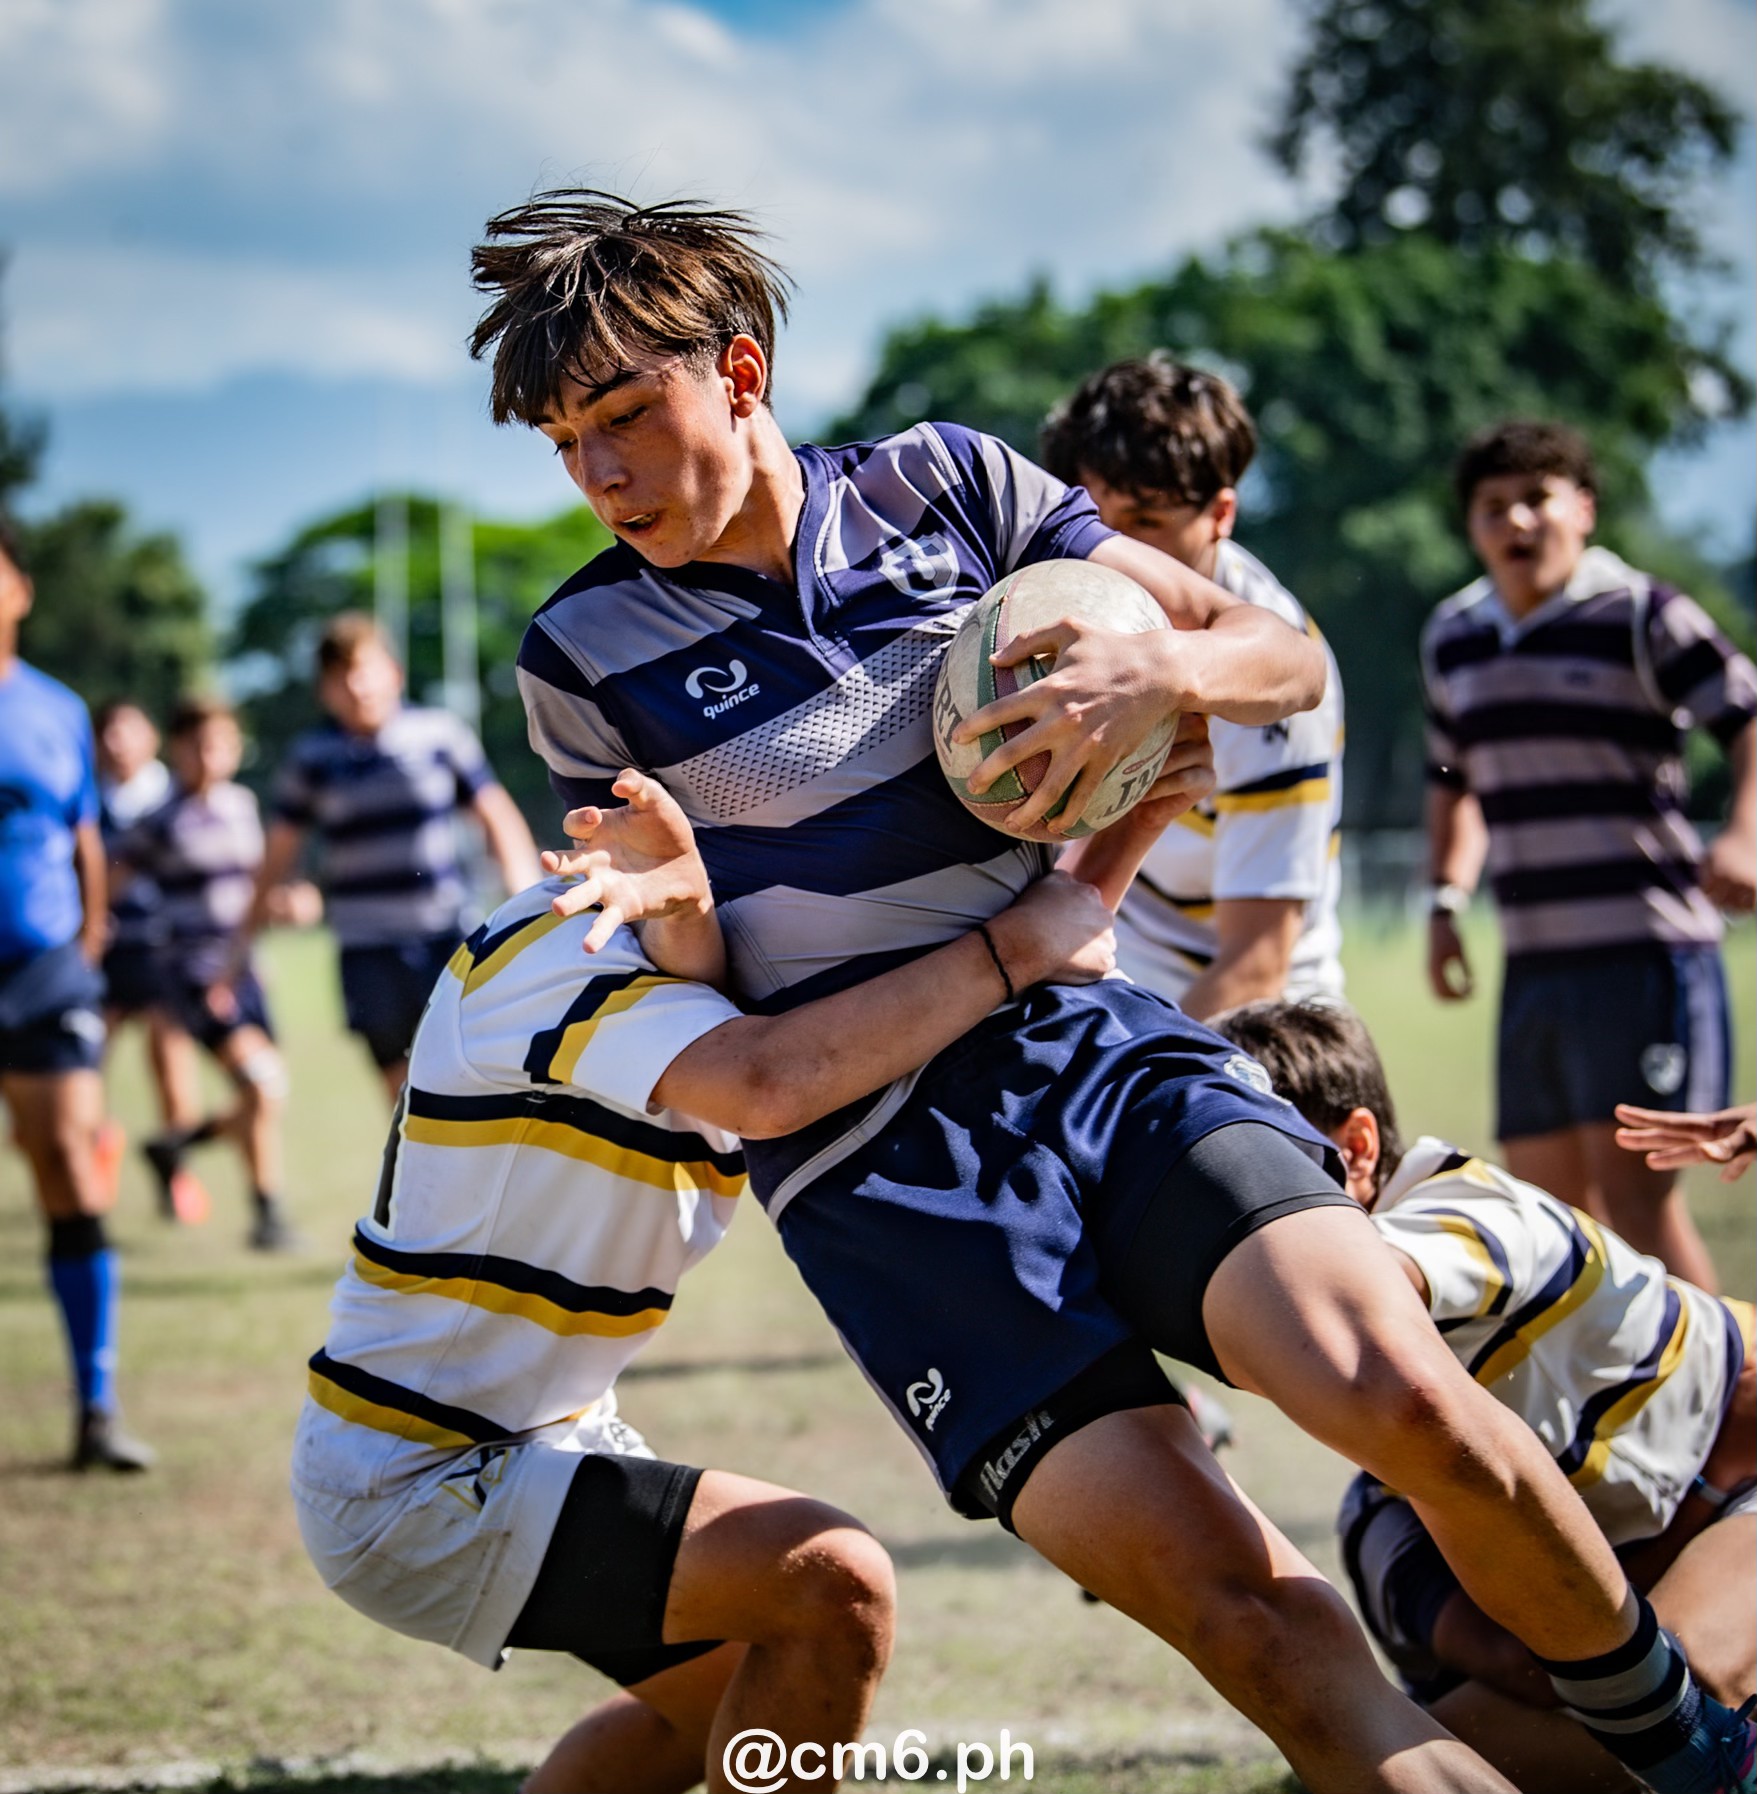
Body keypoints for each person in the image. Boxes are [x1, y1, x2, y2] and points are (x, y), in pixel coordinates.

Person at [474, 189, 1756, 1792]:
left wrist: (1167, 668)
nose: (598, 473)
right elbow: (726, 1018)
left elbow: (1275, 664)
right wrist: (675, 901)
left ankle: (1701, 1758)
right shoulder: (580, 656)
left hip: (1100, 1056)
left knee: (1406, 1402)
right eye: (562, 443)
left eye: (622, 415)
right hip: (887, 1186)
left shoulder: (947, 482)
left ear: (737, 369)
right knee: (1262, 1628)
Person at [292, 768, 1119, 1794]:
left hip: (535, 1437)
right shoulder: (563, 939)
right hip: (420, 1470)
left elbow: (1054, 930)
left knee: (729, 1716)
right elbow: (768, 1084)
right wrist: (1007, 951)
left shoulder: (737, 982)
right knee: (832, 1587)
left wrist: (1133, 817)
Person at [1214, 996, 1755, 1794]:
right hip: (1643, 1559)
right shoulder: (1382, 1511)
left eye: (1240, 1173)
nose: (1223, 1212)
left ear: (1356, 1148)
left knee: (1671, 1707)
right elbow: (1520, 1663)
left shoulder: (1466, 1212)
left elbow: (1354, 1284)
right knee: (1419, 1738)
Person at [1422, 419, 1756, 1293]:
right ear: (1472, 528)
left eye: (1536, 498)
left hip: (1645, 957)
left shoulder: (1644, 614)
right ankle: (1610, 1421)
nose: (1515, 522)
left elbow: (1748, 719)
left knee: (1636, 1207)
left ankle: (1734, 1411)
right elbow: (1451, 779)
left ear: (1582, 508)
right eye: (1493, 507)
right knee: (1547, 1214)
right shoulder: (1452, 637)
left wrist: (1744, 833)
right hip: (1535, 963)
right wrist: (1446, 901)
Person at [1040, 354, 1345, 1019]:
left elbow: (1254, 964)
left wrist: (1157, 1085)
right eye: (1096, 518)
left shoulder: (1271, 693)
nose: (1117, 548)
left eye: (1148, 521)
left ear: (1221, 513)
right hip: (1109, 977)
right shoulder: (1052, 595)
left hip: (1251, 1023)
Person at [233, 613, 541, 1102]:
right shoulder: (313, 757)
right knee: (404, 1094)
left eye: (364, 668)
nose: (356, 685)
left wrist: (524, 897)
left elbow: (496, 816)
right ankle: (421, 1178)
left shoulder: (440, 735)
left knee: (474, 1073)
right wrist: (245, 937)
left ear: (393, 674)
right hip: (366, 947)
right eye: (340, 675)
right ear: (324, 691)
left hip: (446, 935)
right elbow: (280, 852)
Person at [0, 516, 152, 1470]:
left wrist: (88, 945)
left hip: (46, 970)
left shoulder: (55, 710)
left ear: (20, 590)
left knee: (65, 1162)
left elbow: (88, 840)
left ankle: (96, 1405)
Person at [121, 697, 296, 1250]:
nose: (209, 756)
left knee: (262, 1092)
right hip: (195, 974)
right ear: (177, 750)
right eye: (197, 745)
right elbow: (107, 876)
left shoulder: (243, 806)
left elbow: (253, 889)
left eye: (220, 743)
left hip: (245, 969)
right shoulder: (159, 820)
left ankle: (188, 1153)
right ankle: (263, 1206)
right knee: (261, 1084)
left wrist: (288, 904)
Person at [93, 699, 207, 1222]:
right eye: (108, 733)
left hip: (164, 954)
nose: (118, 742)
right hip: (103, 956)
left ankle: (175, 1174)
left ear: (152, 739)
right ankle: (96, 1163)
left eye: (129, 730)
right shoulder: (86, 799)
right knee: (88, 1068)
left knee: (170, 1070)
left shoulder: (176, 796)